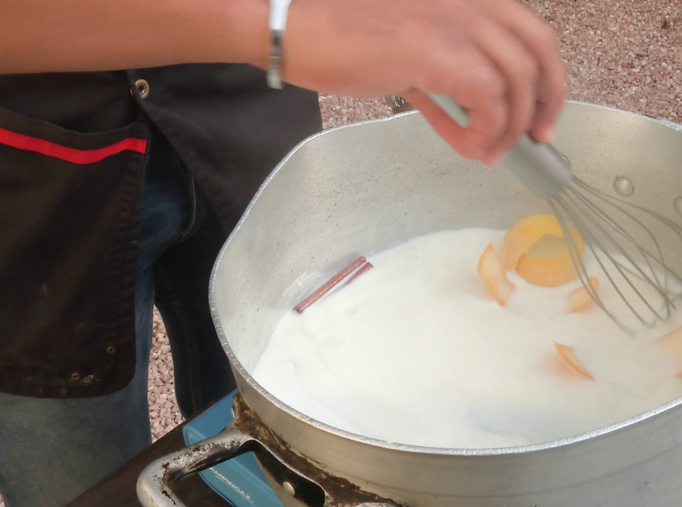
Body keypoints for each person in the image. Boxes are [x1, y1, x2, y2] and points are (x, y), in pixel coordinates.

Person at [0, 1, 566, 506]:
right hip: (33, 174)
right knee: (83, 485)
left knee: (285, 425)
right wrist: (276, 23)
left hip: (246, 106)